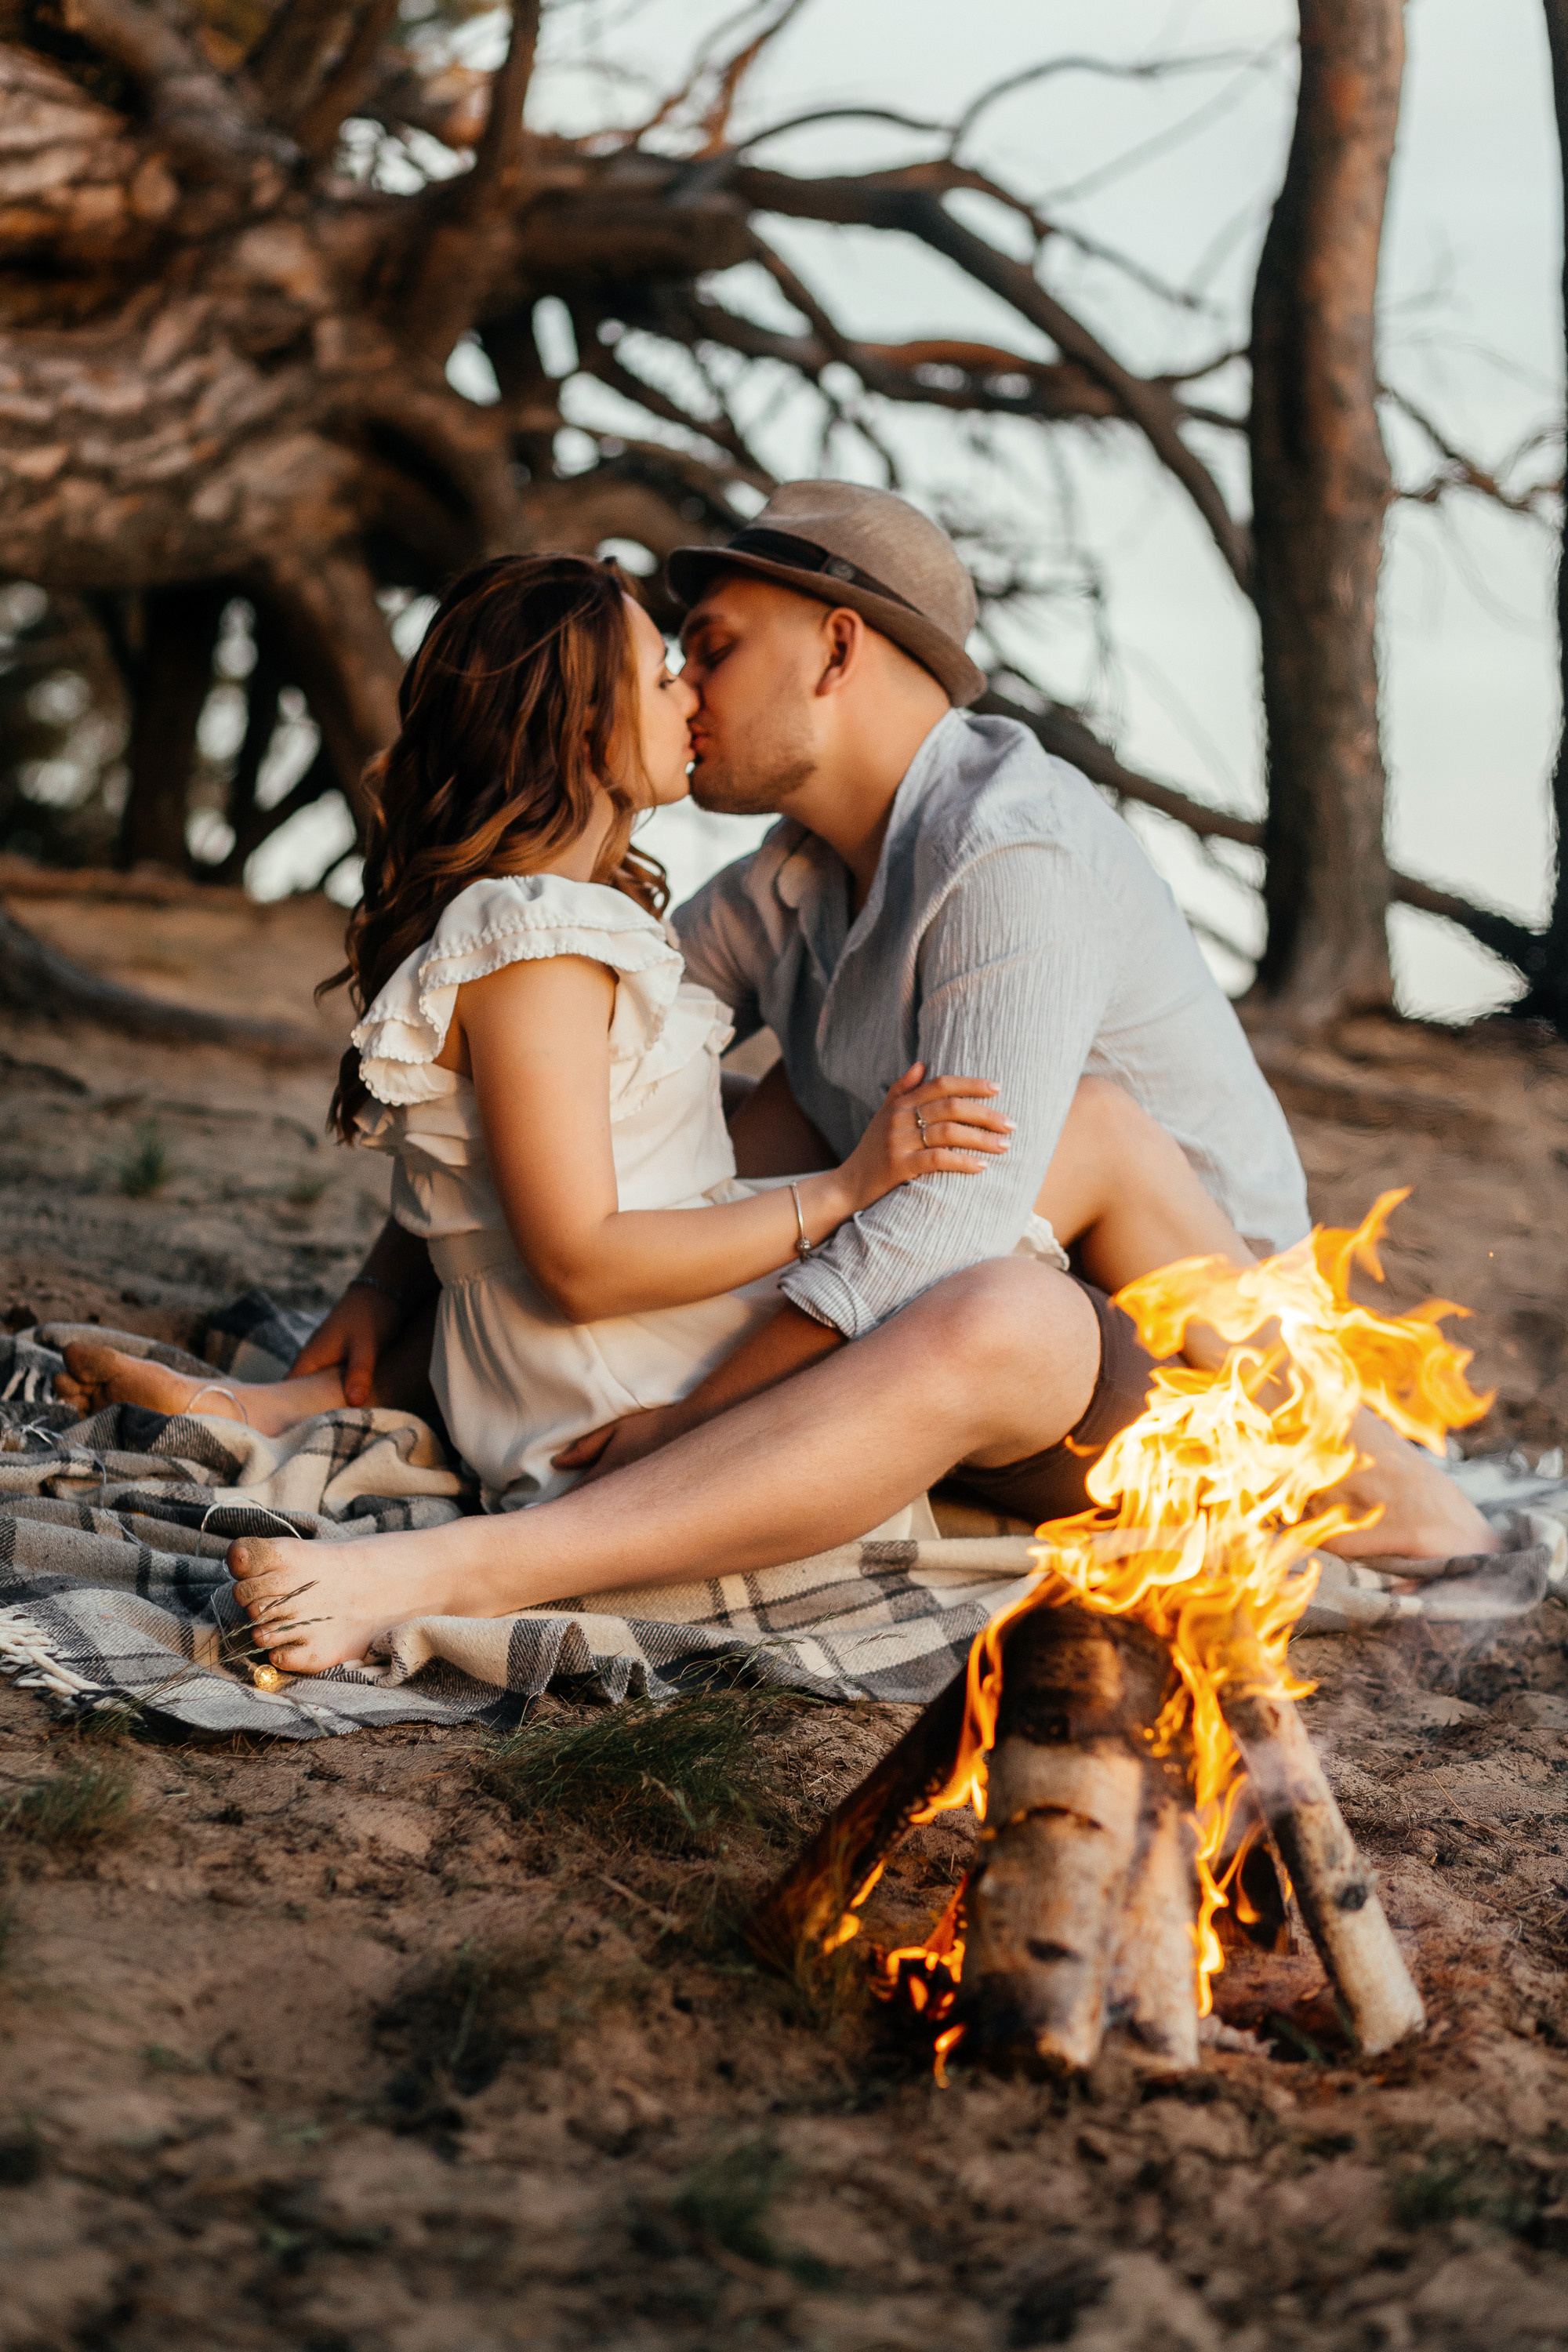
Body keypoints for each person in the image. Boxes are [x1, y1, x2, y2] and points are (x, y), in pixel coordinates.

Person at [63, 491, 1498, 1671]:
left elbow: (944, 1223)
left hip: (1162, 1362)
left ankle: (513, 1553)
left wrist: (697, 1421)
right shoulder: (791, 881)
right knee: (763, 1110)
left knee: (1026, 1157)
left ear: (835, 649)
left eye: (713, 646)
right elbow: (561, 1087)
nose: (687, 687)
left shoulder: (1014, 850)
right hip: (934, 1328)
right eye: (673, 659)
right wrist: (385, 1288)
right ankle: (391, 1413)